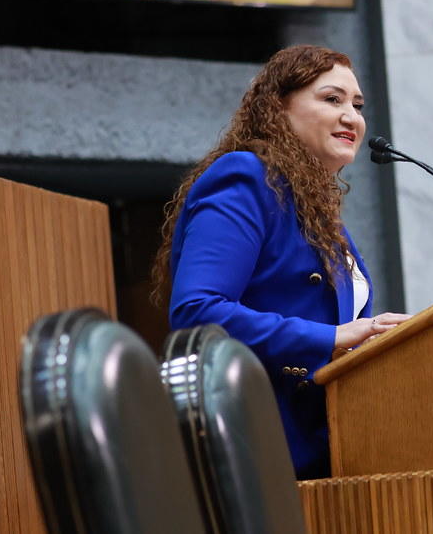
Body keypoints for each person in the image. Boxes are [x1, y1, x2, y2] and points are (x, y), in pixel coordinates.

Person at [153, 45, 410, 479]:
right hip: (264, 447)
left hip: (335, 447)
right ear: (279, 107)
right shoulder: (246, 178)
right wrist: (333, 336)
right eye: (332, 99)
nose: (352, 116)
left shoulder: (313, 208)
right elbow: (197, 312)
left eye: (357, 105)